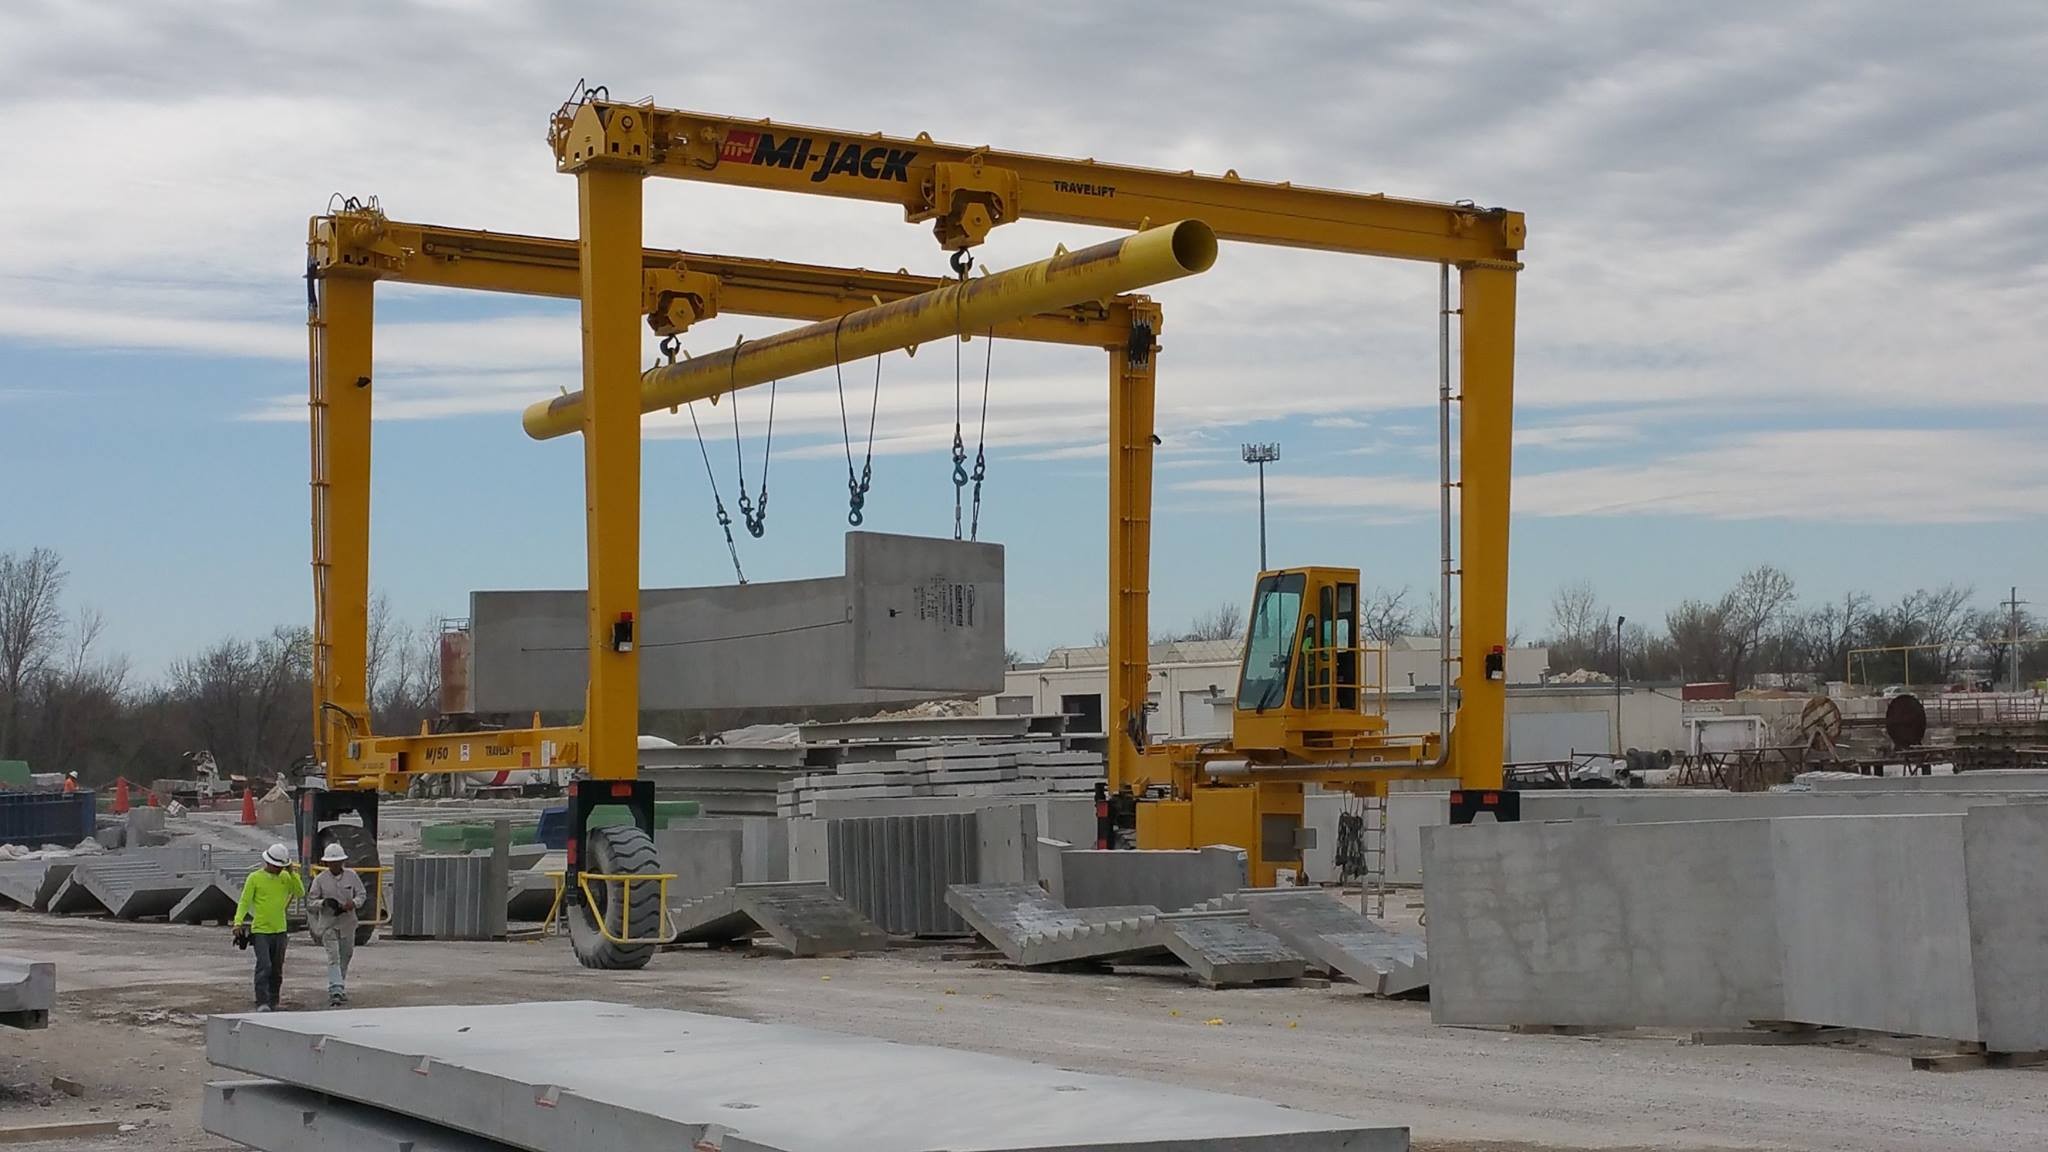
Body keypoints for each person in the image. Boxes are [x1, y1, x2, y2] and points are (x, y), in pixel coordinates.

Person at [232, 843, 304, 1012]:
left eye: (281, 866)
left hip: (280, 930)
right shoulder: (255, 878)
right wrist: (238, 922)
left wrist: (292, 873)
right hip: (261, 931)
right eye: (277, 866)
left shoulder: (285, 877)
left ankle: (274, 1000)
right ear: (268, 863)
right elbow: (244, 901)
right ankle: (262, 1001)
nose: (279, 869)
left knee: (277, 968)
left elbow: (300, 892)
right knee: (264, 966)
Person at [305, 842, 366, 1007]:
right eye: (331, 863)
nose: (334, 865)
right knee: (333, 957)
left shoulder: (352, 876)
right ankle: (335, 989)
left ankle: (340, 984)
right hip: (328, 924)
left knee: (346, 955)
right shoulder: (320, 879)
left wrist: (353, 903)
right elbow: (310, 902)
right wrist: (323, 903)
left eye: (337, 862)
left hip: (347, 923)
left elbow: (361, 894)